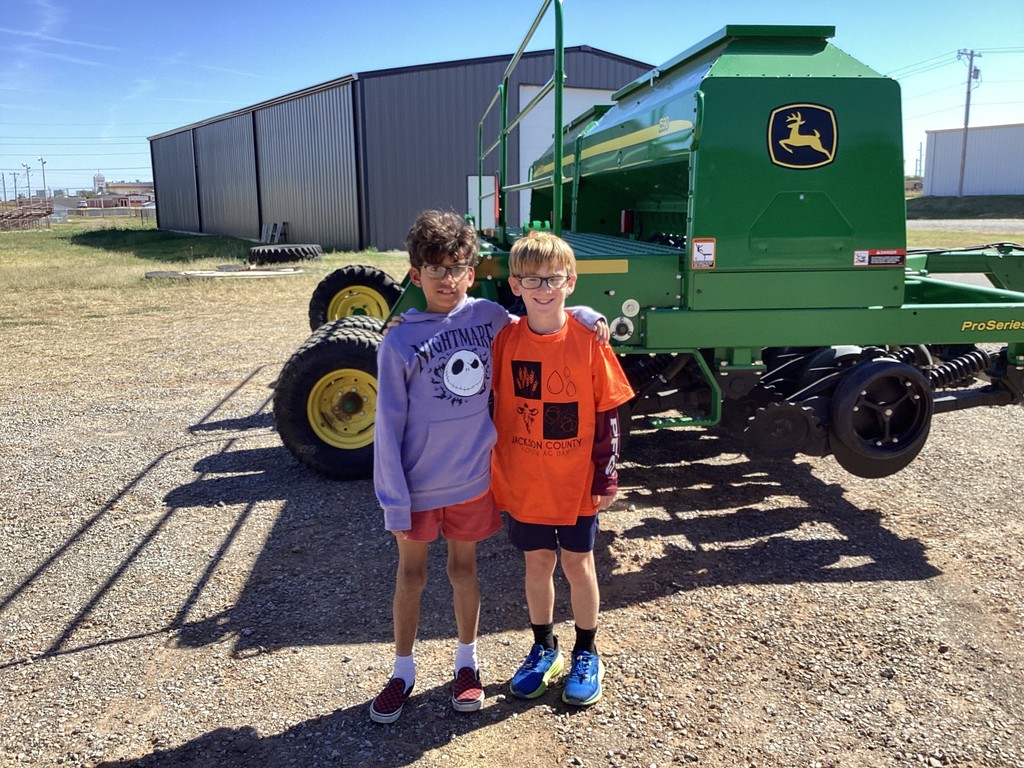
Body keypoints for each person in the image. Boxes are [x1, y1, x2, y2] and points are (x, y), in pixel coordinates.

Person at [371, 210, 607, 724]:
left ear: (472, 273)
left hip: (473, 481)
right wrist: (393, 496)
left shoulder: (489, 319)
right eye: (434, 270)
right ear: (416, 275)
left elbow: (543, 319)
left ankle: (466, 663)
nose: (446, 279)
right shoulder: (399, 340)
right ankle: (402, 670)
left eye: (457, 268)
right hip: (417, 484)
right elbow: (386, 426)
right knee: (411, 576)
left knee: (463, 570)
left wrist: (587, 314)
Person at [490, 230, 634, 707]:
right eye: (532, 279)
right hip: (525, 480)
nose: (544, 288)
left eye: (553, 278)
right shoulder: (505, 340)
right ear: (515, 285)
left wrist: (606, 473)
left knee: (578, 563)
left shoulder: (589, 341)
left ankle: (587, 652)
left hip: (575, 483)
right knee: (537, 563)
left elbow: (610, 412)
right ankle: (542, 646)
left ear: (570, 282)